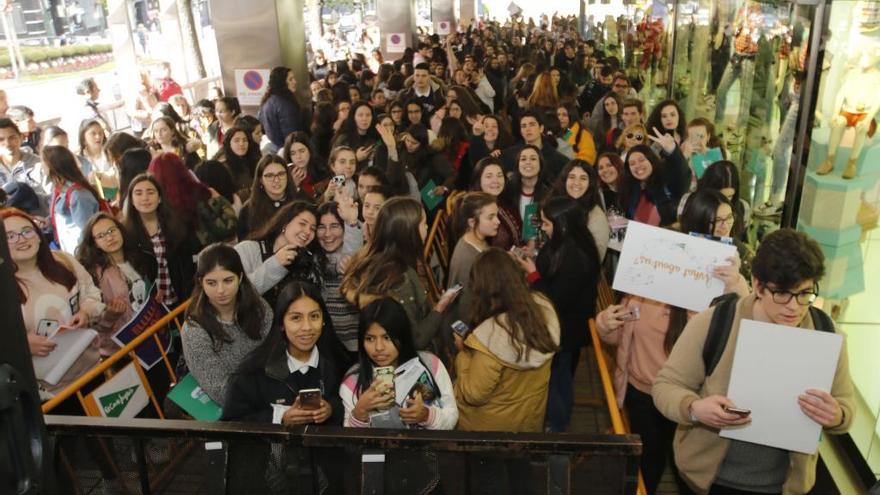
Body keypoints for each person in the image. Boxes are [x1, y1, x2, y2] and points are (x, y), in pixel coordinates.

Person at [652, 229, 854, 495]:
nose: (794, 306)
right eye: (781, 293)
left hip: (782, 486)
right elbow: (665, 385)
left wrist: (836, 415)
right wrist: (694, 408)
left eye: (805, 293)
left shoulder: (826, 334)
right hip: (710, 480)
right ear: (757, 285)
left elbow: (845, 406)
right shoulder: (716, 322)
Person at [515, 196, 600, 432]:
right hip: (560, 325)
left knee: (558, 381)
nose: (542, 227)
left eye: (546, 223)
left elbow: (554, 301)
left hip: (565, 330)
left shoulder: (576, 257)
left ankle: (557, 429)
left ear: (562, 225)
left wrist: (532, 274)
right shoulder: (567, 243)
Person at [4, 208, 104, 395]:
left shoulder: (63, 260)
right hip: (49, 392)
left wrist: (86, 312)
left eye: (27, 231)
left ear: (39, 235)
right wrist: (21, 345)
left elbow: (91, 292)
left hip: (92, 369)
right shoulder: (4, 287)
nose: (21, 239)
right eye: (10, 236)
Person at [341, 197, 458, 349]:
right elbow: (414, 341)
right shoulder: (401, 279)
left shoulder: (369, 258)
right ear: (408, 230)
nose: (427, 227)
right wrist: (440, 308)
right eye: (423, 223)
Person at [341, 297, 458, 429]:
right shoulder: (353, 381)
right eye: (370, 338)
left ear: (402, 335)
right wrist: (360, 412)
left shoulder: (431, 364)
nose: (379, 347)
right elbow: (351, 442)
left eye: (387, 337)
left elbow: (452, 417)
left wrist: (426, 416)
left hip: (425, 449)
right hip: (376, 449)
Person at [181, 243, 272, 406]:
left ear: (241, 277)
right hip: (235, 407)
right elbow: (220, 392)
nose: (220, 290)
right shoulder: (194, 330)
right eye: (211, 283)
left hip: (271, 390)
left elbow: (276, 355)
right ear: (201, 282)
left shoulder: (259, 308)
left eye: (228, 280)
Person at [76, 212, 156, 356]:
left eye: (112, 230)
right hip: (122, 350)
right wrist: (110, 316)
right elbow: (92, 325)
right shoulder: (92, 275)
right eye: (101, 236)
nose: (109, 237)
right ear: (95, 243)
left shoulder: (139, 257)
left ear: (120, 230)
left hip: (153, 333)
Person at [122, 174, 199, 305]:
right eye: (138, 193)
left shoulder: (179, 225)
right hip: (150, 304)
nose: (145, 198)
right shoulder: (126, 234)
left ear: (159, 198)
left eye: (150, 192)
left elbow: (195, 259)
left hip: (184, 297)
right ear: (132, 201)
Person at [235, 200, 324, 307]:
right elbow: (237, 294)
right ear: (285, 223)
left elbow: (320, 301)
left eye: (312, 229)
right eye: (302, 224)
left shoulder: (309, 260)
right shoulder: (247, 249)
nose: (308, 232)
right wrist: (276, 264)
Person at [148, 152, 237, 246]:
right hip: (211, 253)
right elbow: (230, 226)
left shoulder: (157, 205)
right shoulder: (202, 193)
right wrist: (219, 199)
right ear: (182, 170)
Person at [316, 200, 363, 354]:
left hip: (356, 345)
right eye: (321, 227)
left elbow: (350, 255)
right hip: (325, 347)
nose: (327, 234)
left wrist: (352, 223)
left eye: (334, 226)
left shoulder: (357, 258)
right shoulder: (313, 260)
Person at [617, 138, 690, 227]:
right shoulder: (630, 189)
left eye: (641, 160)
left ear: (651, 160)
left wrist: (672, 151)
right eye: (632, 163)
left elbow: (682, 175)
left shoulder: (666, 180)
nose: (637, 166)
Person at [42, 145, 101, 254]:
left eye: (43, 163)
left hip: (81, 254)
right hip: (69, 249)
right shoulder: (60, 189)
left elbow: (86, 231)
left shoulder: (78, 195)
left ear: (53, 166)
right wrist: (48, 221)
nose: (41, 166)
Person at [555, 159, 610, 260]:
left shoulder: (596, 216)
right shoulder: (555, 205)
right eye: (572, 177)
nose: (577, 183)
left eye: (583, 178)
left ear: (590, 184)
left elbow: (595, 260)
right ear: (564, 180)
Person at [237, 155, 298, 240]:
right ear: (261, 180)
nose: (276, 180)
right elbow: (244, 247)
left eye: (281, 174)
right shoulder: (248, 210)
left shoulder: (300, 200)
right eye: (270, 176)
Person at [470, 157, 521, 250]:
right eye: (489, 176)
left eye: (499, 175)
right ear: (479, 179)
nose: (496, 181)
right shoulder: (474, 211)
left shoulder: (505, 202)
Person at [259, 66, 304, 150]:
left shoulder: (268, 99)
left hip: (275, 147)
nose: (295, 82)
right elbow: (290, 135)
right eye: (290, 79)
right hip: (285, 149)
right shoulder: (285, 104)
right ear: (281, 82)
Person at [213, 126, 260, 200]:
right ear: (229, 144)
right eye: (236, 140)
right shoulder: (223, 167)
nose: (241, 144)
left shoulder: (253, 160)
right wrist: (253, 191)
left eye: (245, 140)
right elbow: (226, 196)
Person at [77, 119, 117, 202]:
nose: (98, 137)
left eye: (100, 133)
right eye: (93, 134)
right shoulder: (80, 161)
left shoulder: (111, 152)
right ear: (83, 137)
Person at [331, 100, 380, 169]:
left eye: (368, 115)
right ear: (353, 117)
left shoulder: (376, 137)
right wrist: (355, 159)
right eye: (360, 115)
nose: (364, 119)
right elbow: (335, 171)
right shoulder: (344, 139)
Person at [282, 131, 329, 201]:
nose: (298, 156)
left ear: (309, 150)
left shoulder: (321, 168)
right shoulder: (285, 176)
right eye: (293, 153)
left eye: (302, 151)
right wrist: (294, 186)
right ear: (289, 156)